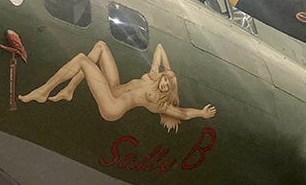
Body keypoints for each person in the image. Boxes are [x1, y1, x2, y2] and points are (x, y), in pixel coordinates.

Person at [19, 41, 215, 132]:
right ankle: (69, 90)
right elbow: (160, 48)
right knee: (101, 46)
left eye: (168, 86)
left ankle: (43, 92)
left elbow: (182, 114)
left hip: (113, 107)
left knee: (81, 60)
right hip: (114, 89)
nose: (165, 85)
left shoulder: (159, 103)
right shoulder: (154, 76)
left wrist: (201, 114)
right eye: (166, 82)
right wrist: (170, 72)